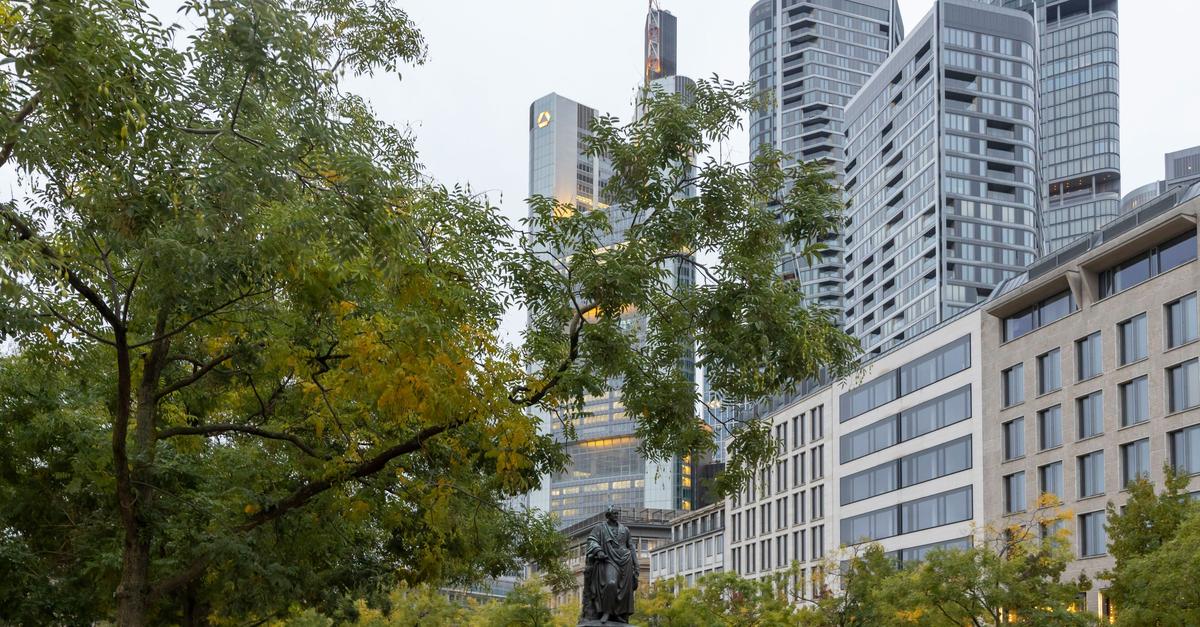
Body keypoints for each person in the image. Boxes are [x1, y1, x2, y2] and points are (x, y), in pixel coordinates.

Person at [580, 506, 638, 623]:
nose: (617, 515)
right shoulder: (600, 528)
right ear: (608, 515)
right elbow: (591, 540)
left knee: (624, 590)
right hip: (609, 560)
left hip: (625, 561)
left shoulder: (625, 530)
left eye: (617, 513)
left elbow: (631, 547)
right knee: (611, 583)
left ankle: (617, 614)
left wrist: (636, 565)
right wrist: (599, 551)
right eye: (614, 513)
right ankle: (606, 611)